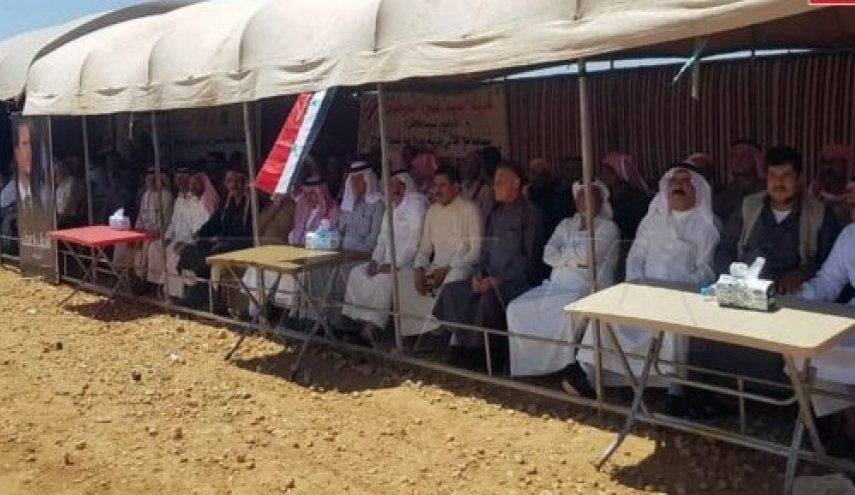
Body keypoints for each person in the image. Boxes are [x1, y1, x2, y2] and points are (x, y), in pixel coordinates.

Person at [578, 167, 719, 413]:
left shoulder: (707, 226)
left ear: (698, 189)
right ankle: (590, 378)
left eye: (686, 181)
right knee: (602, 318)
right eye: (673, 181)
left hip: (681, 297)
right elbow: (636, 256)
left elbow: (706, 271)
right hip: (642, 291)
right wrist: (638, 285)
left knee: (674, 324)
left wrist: (673, 290)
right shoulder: (651, 220)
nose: (678, 185)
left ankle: (675, 391)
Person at [710, 146, 841, 387]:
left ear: (799, 178)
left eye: (786, 176)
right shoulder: (749, 207)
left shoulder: (820, 214)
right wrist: (733, 275)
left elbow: (829, 264)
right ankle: (729, 396)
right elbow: (724, 248)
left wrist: (800, 273)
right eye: (772, 175)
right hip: (746, 290)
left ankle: (778, 399)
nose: (778, 182)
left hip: (789, 296)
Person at [433, 161, 545, 373]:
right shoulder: (496, 214)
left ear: (516, 183)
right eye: (494, 182)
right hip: (489, 279)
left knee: (487, 301)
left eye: (499, 182)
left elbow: (531, 261)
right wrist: (479, 275)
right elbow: (485, 252)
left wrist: (500, 280)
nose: (494, 187)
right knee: (453, 291)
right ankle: (462, 343)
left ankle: (483, 356)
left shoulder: (532, 214)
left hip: (516, 283)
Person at [506, 180, 619, 386]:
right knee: (516, 308)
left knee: (566, 312)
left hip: (586, 288)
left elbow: (589, 256)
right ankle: (529, 366)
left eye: (591, 196)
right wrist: (574, 258)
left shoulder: (608, 228)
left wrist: (564, 256)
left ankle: (563, 368)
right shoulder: (566, 224)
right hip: (554, 286)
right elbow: (547, 253)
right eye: (581, 196)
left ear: (600, 200)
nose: (585, 201)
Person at [797, 190, 855, 452]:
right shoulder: (850, 235)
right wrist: (794, 298)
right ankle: (849, 420)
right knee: (802, 352)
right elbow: (828, 282)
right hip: (851, 317)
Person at [340, 170, 428, 338]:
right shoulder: (390, 209)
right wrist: (374, 261)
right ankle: (354, 323)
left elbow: (413, 245)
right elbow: (381, 240)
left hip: (407, 265)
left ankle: (371, 329)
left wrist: (394, 264)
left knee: (385, 280)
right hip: (385, 262)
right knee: (357, 273)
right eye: (391, 185)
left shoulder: (415, 208)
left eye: (398, 185)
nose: (394, 189)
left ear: (406, 186)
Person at [398, 165, 483, 337]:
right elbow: (424, 248)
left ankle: (446, 332)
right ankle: (425, 330)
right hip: (436, 268)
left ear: (456, 187)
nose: (437, 190)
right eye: (435, 185)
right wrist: (419, 269)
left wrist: (447, 269)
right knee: (403, 277)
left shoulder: (470, 209)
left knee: (453, 280)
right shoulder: (432, 211)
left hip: (462, 268)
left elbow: (476, 252)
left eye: (442, 185)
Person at [242, 176, 339, 319]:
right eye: (306, 193)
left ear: (320, 193)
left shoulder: (332, 211)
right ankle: (255, 312)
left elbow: (327, 239)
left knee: (297, 275)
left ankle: (293, 316)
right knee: (259, 266)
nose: (308, 197)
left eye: (312, 194)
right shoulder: (303, 208)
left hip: (315, 257)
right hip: (292, 252)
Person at [176, 166, 254, 308]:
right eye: (230, 181)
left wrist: (223, 241)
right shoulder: (227, 202)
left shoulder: (252, 204)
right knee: (190, 250)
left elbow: (248, 233)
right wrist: (199, 234)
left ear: (244, 182)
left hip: (241, 245)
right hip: (222, 243)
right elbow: (214, 223)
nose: (234, 185)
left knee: (213, 253)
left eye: (237, 181)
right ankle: (196, 293)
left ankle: (216, 302)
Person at [146, 169, 219, 298]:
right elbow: (173, 223)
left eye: (195, 184)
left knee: (174, 255)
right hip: (177, 239)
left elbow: (202, 230)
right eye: (191, 184)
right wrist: (167, 237)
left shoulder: (204, 202)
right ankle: (157, 285)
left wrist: (185, 242)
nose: (192, 187)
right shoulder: (179, 199)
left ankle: (177, 293)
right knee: (155, 247)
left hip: (195, 241)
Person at [114, 167, 174, 286]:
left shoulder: (167, 196)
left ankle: (142, 279)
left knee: (147, 244)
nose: (151, 182)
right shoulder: (145, 195)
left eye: (154, 179)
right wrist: (136, 232)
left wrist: (147, 234)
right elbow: (140, 218)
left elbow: (166, 222)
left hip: (158, 233)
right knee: (122, 240)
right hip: (143, 232)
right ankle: (122, 274)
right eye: (149, 178)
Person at [598, 151, 651, 282]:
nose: (602, 176)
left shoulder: (637, 200)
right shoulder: (605, 197)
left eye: (606, 173)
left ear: (619, 175)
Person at [524, 157, 573, 252]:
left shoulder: (559, 192)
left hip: (554, 234)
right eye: (532, 173)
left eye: (538, 174)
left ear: (546, 176)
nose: (533, 178)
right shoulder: (528, 191)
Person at [713, 139, 765, 222]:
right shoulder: (721, 197)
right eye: (734, 156)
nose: (738, 160)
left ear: (757, 160)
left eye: (745, 156)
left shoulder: (769, 192)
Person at [809, 144, 853, 225]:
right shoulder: (813, 192)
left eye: (833, 162)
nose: (827, 168)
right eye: (824, 162)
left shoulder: (853, 192)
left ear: (845, 165)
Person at [460, 151, 493, 219]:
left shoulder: (485, 190)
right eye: (466, 164)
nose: (469, 168)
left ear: (479, 168)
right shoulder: (460, 187)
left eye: (472, 164)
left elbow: (486, 216)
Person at [54, 160, 86, 228]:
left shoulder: (71, 181)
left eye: (58, 171)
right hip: (61, 216)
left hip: (69, 217)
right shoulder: (59, 185)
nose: (56, 174)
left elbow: (69, 201)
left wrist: (62, 216)